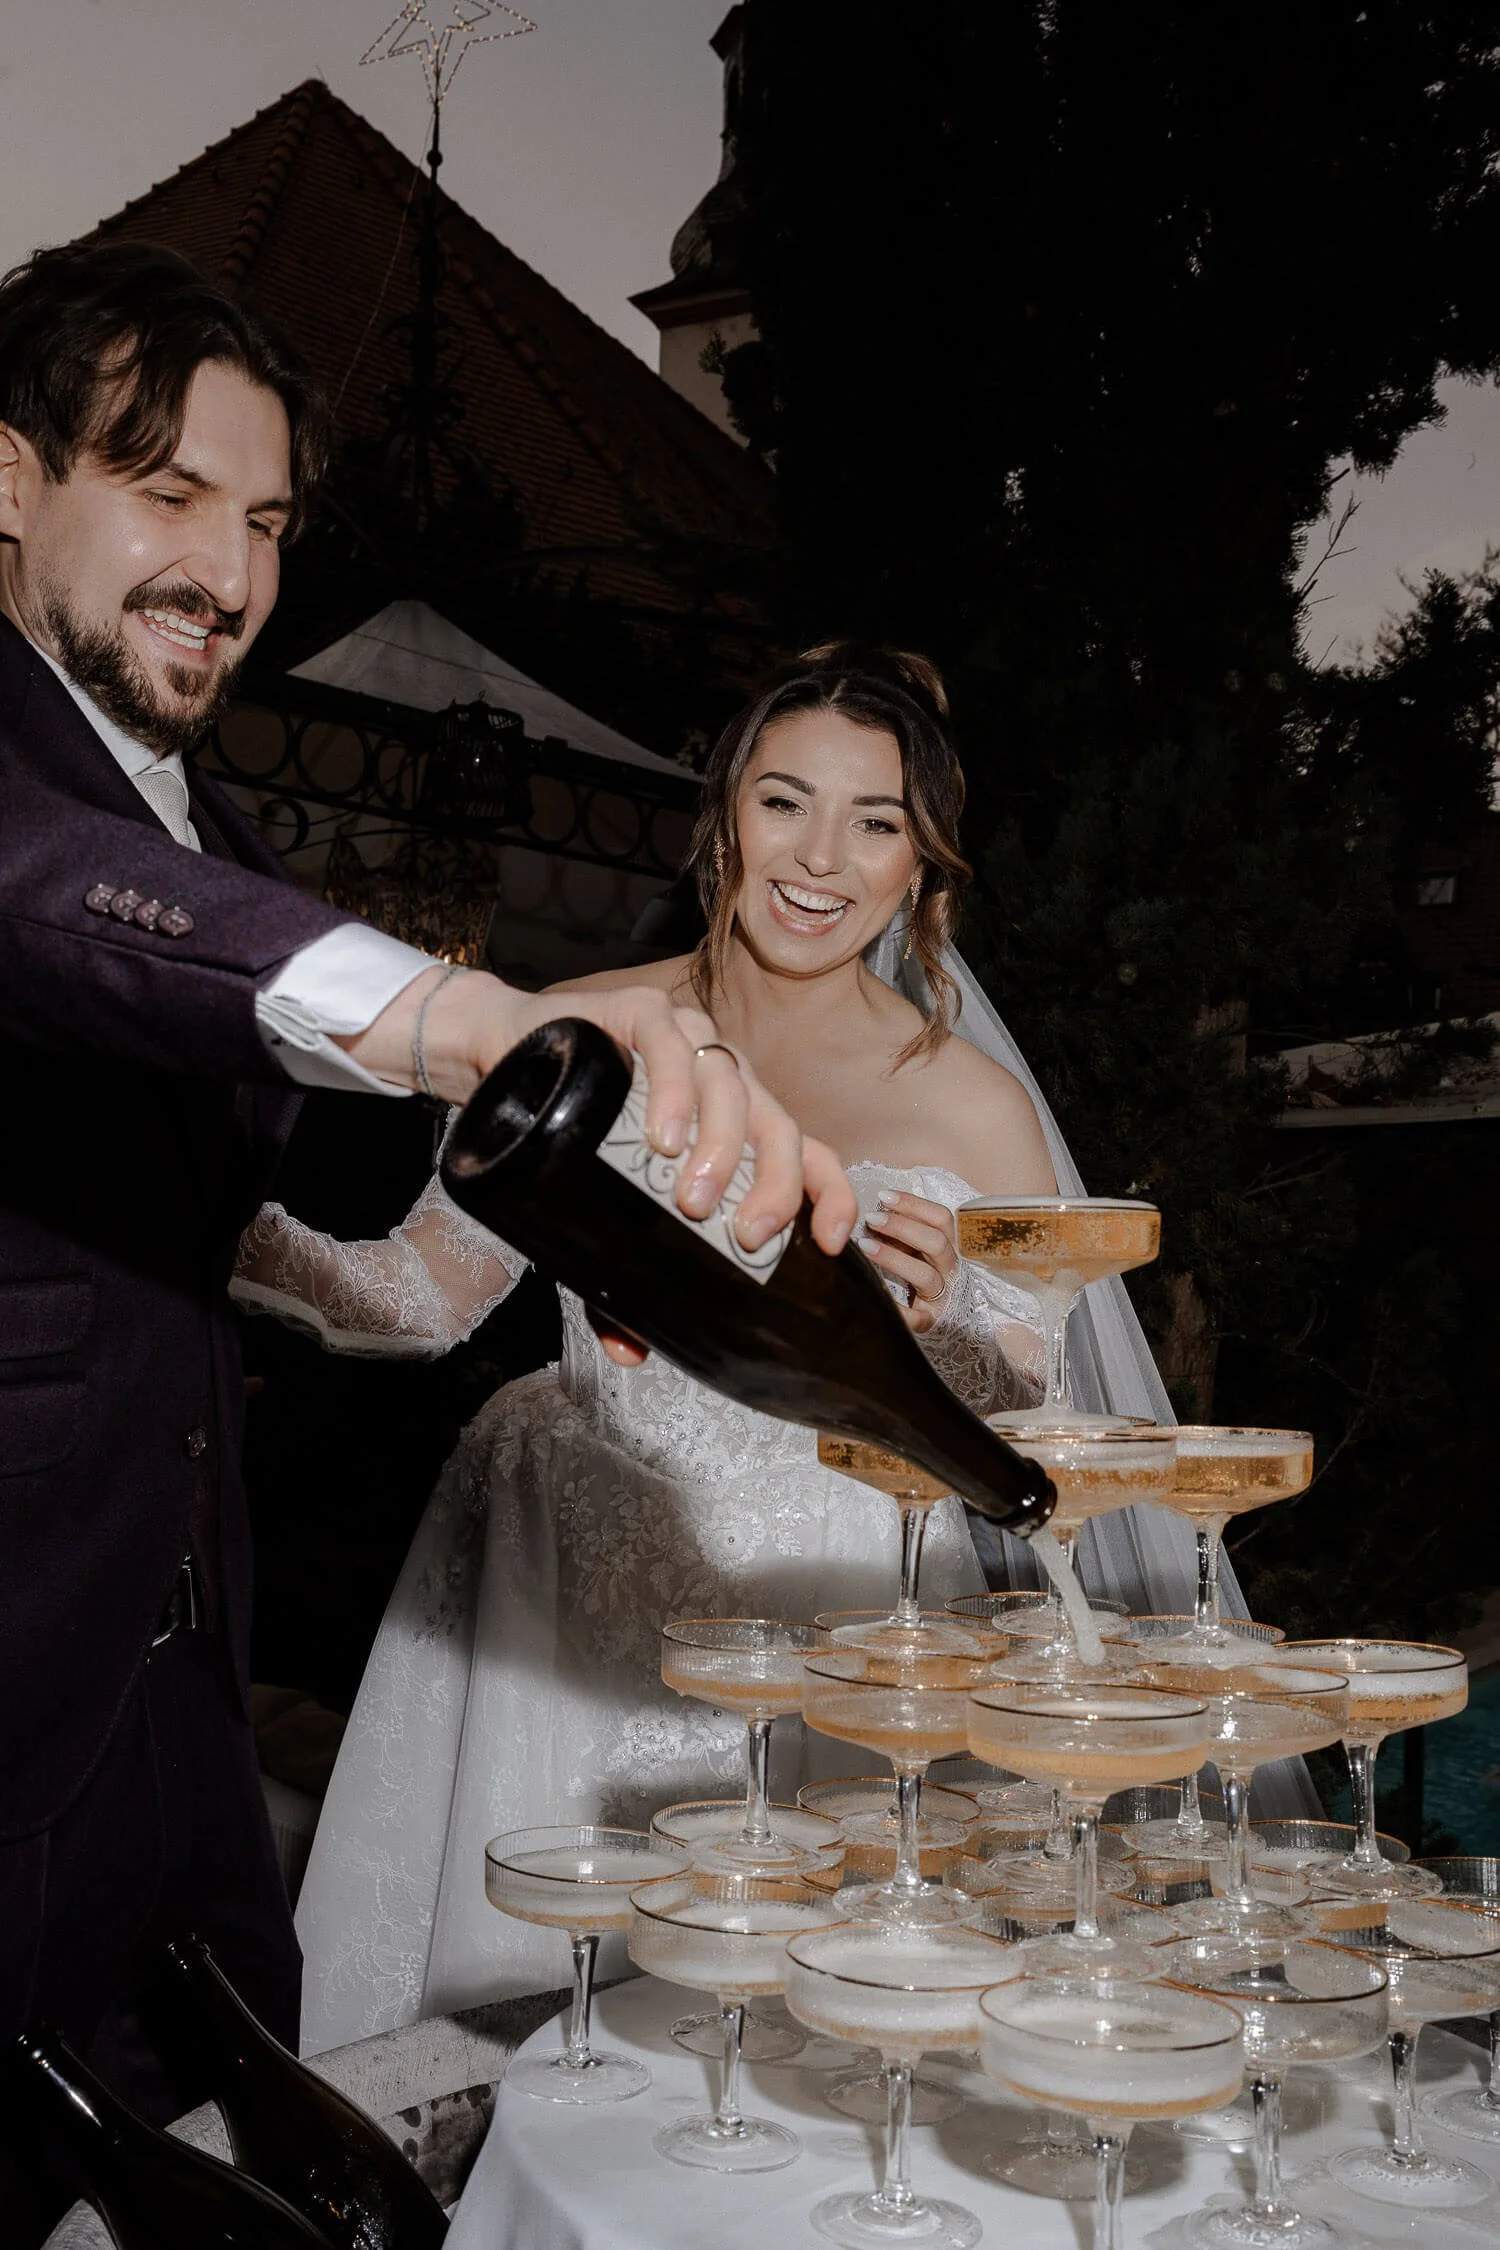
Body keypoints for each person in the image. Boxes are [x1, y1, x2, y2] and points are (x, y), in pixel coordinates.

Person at [0, 239, 852, 2175]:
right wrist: (471, 1011)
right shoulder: (83, 826)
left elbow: (285, 1259)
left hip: (174, 1680)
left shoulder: (220, 820)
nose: (230, 573)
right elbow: (71, 914)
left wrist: (651, 1258)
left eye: (271, 519)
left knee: (219, 2173)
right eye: (169, 494)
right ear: (10, 484)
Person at [266, 642, 1207, 2048]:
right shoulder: (584, 1021)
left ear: (920, 868)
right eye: (785, 801)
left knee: (805, 2033)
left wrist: (954, 1315)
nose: (821, 856)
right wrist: (202, 1230)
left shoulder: (977, 1113)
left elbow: (1024, 1447)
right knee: (524, 2017)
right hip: (557, 1587)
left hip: (841, 1615)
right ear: (724, 822)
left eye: (875, 822)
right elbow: (412, 1296)